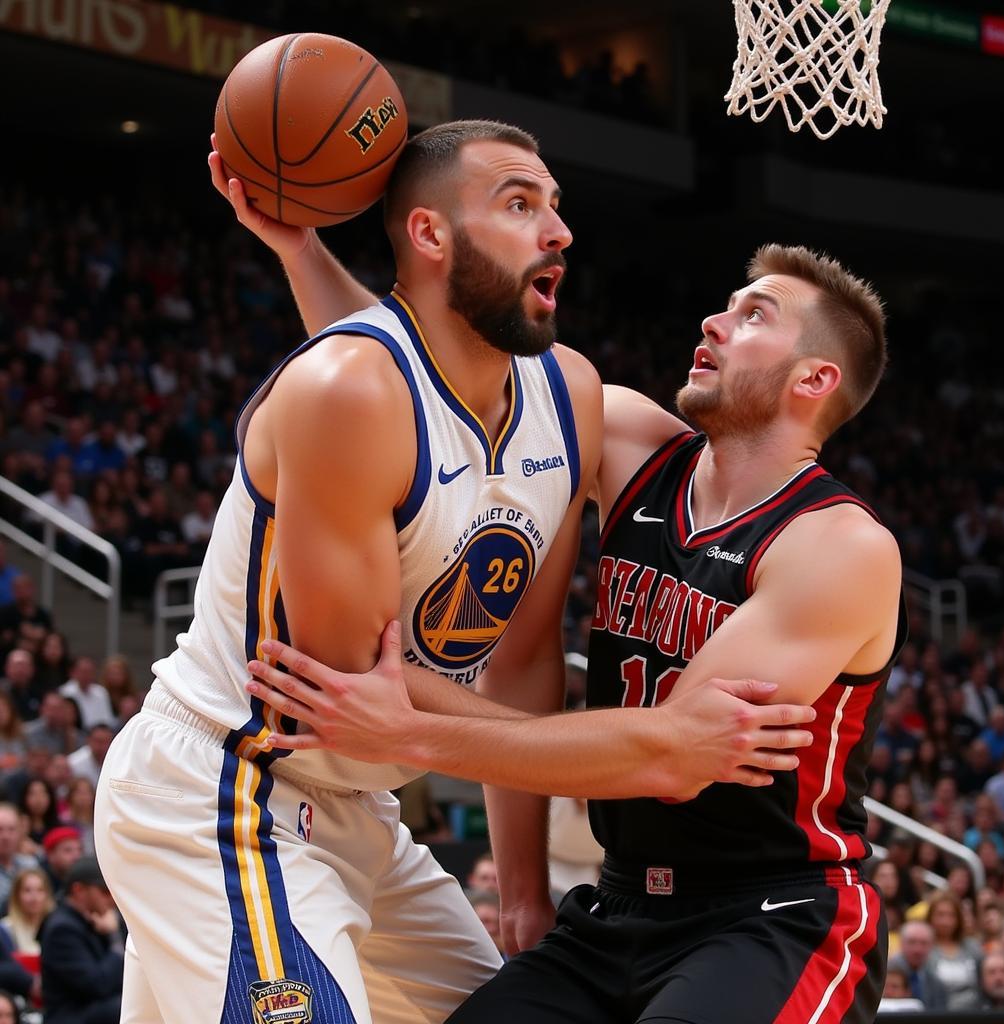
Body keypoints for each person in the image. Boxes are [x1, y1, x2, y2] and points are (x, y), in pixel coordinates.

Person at [94, 120, 811, 1024]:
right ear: (431, 235)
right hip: (229, 792)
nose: (559, 231)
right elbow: (354, 699)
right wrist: (635, 747)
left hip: (365, 818)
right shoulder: (345, 390)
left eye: (556, 206)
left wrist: (522, 891)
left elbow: (517, 661)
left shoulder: (568, 394)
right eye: (520, 204)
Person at [247, 244, 907, 1024]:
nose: (715, 320)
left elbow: (668, 755)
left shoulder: (839, 547)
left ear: (815, 380)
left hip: (774, 915)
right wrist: (299, 245)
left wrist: (413, 731)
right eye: (728, 302)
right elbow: (415, 376)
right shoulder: (626, 438)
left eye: (754, 313)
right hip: (620, 905)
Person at [38, 855, 122, 1024]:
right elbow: (97, 985)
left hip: (95, 1010)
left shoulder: (98, 919)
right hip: (71, 1016)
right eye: (105, 891)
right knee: (126, 1007)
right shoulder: (61, 929)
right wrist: (115, 940)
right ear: (79, 890)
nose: (112, 899)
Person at [890, 920, 948, 1012]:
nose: (918, 950)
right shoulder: (886, 975)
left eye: (924, 943)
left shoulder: (936, 982)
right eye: (912, 942)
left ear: (932, 946)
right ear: (901, 943)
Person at [0, 867, 54, 955]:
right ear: (16, 895)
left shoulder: (55, 927)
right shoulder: (5, 930)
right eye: (27, 890)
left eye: (40, 890)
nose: (34, 897)